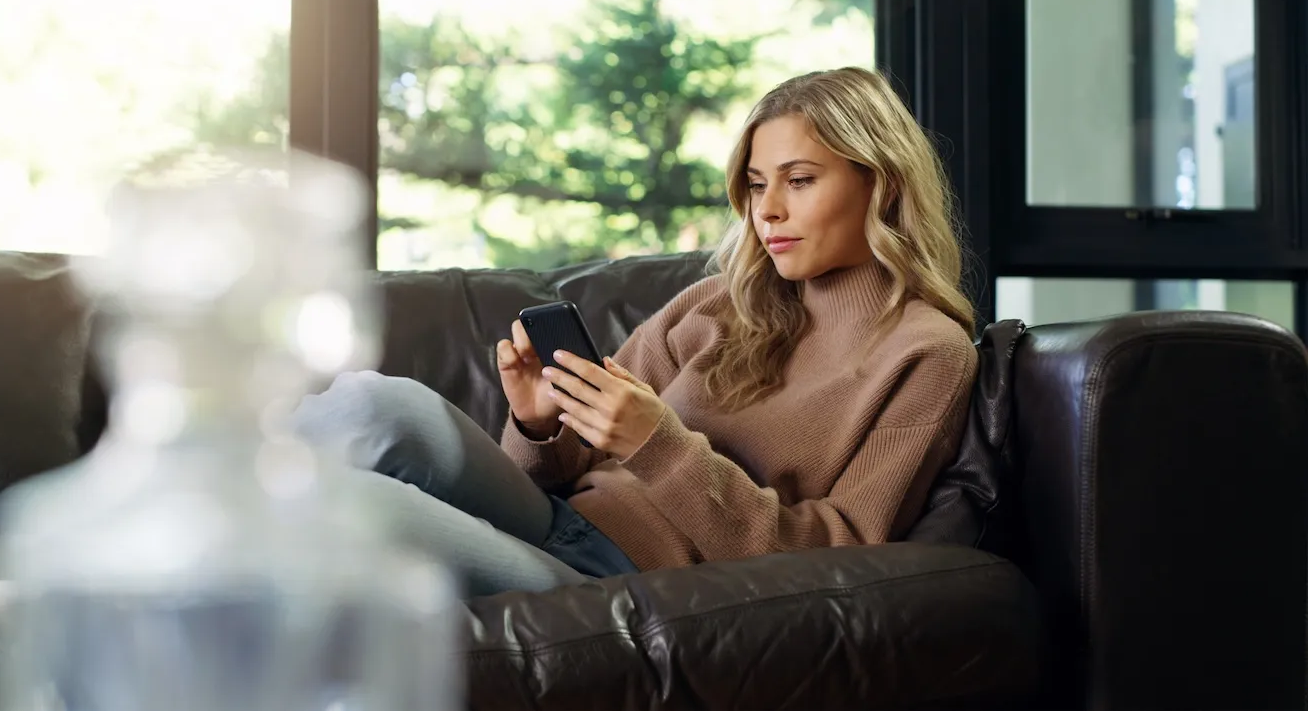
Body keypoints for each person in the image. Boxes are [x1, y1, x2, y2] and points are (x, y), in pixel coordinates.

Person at [291, 66, 978, 598]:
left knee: (359, 509)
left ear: (882, 185)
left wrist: (658, 445)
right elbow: (560, 473)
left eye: (799, 181)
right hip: (556, 523)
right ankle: (197, 494)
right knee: (373, 403)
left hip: (631, 586)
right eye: (756, 184)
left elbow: (843, 559)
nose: (767, 211)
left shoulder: (925, 354)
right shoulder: (715, 305)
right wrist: (540, 427)